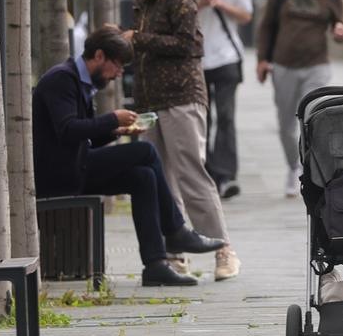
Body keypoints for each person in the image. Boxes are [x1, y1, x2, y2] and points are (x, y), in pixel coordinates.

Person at [31, 25, 225, 286]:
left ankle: (155, 264)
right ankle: (176, 231)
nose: (119, 74)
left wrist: (117, 129)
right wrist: (112, 117)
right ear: (99, 56)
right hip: (60, 173)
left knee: (142, 177)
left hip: (77, 164)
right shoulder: (62, 79)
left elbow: (87, 135)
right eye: (118, 65)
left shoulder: (80, 81)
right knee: (145, 150)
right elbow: (67, 131)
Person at [126, 0, 241, 281]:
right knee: (161, 181)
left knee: (192, 173)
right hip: (149, 101)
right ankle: (174, 254)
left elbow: (189, 44)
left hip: (181, 97)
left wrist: (139, 39)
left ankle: (223, 250)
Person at [255, 0, 343, 198]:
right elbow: (267, 24)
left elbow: (339, 26)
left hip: (316, 65)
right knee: (286, 124)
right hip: (283, 63)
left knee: (313, 118)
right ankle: (292, 166)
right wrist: (262, 59)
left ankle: (311, 171)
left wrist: (341, 32)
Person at [182, 0, 253, 200]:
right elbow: (177, 15)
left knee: (226, 116)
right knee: (202, 118)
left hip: (227, 54)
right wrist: (197, 5)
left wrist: (222, 5)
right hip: (196, 56)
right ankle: (205, 174)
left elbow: (246, 14)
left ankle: (226, 176)